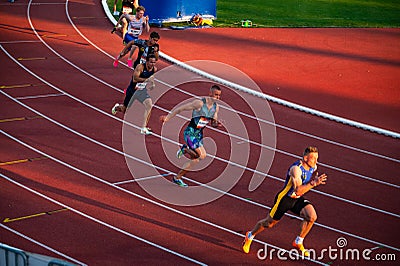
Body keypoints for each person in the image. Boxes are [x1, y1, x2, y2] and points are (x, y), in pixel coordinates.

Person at [242, 146, 328, 256]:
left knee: (312, 217)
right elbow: (298, 190)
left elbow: (306, 182)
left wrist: (315, 179)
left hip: (297, 200)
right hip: (285, 199)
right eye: (313, 158)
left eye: (317, 158)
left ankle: (298, 241)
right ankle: (250, 235)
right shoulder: (296, 169)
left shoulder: (313, 166)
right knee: (268, 224)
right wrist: (313, 183)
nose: (316, 161)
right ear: (306, 158)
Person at [160, 85, 222, 187]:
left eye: (219, 96)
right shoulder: (200, 103)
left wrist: (217, 124)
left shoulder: (216, 108)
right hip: (190, 133)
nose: (217, 97)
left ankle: (177, 177)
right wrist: (167, 118)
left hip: (199, 135)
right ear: (210, 93)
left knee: (196, 159)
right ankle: (185, 150)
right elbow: (181, 108)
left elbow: (213, 122)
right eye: (216, 95)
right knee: (202, 155)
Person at [111, 54, 158, 135]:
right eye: (151, 62)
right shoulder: (140, 67)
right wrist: (147, 79)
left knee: (149, 105)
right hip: (132, 91)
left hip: (142, 91)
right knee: (125, 110)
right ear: (146, 61)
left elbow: (152, 77)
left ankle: (143, 128)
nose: (152, 64)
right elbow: (135, 78)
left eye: (154, 62)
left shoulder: (154, 69)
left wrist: (152, 83)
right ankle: (117, 107)